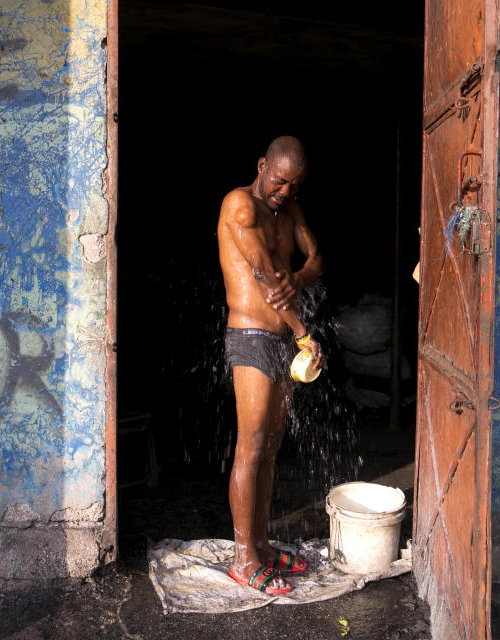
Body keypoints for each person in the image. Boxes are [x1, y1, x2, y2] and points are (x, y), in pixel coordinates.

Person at [217, 135, 326, 595]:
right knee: (251, 446)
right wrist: (305, 334)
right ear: (262, 165)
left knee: (272, 447)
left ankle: (260, 543)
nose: (284, 194)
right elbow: (265, 279)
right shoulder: (240, 206)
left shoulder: (290, 212)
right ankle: (243, 559)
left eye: (293, 187)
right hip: (252, 337)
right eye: (279, 183)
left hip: (282, 337)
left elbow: (317, 260)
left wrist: (297, 277)